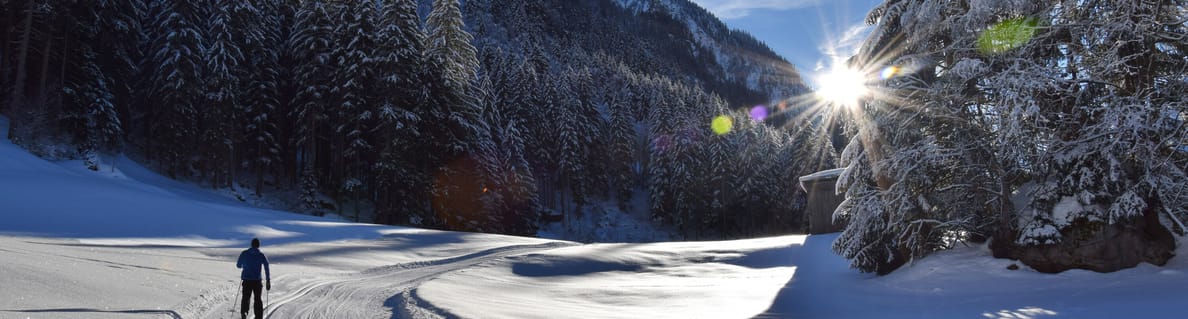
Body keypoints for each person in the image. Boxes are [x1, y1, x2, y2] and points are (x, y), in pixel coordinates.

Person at [236, 238, 271, 319]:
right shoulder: (261, 255)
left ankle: (244, 313)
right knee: (257, 299)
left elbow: (238, 265)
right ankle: (258, 316)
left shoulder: (244, 253)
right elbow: (266, 265)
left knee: (245, 298)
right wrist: (268, 279)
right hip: (257, 281)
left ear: (251, 244)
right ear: (258, 245)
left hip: (246, 280)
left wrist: (244, 265)